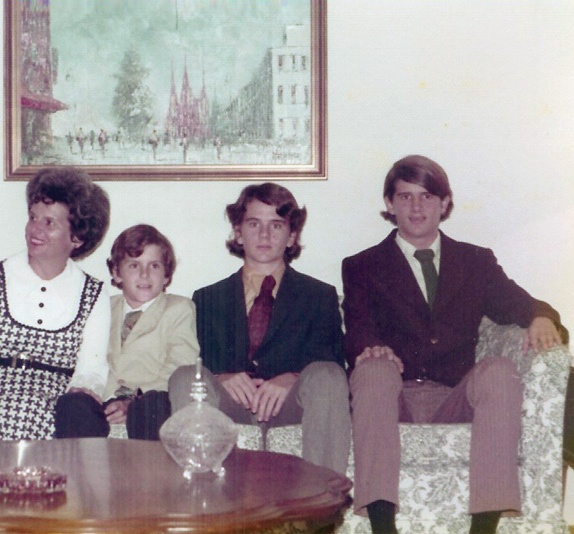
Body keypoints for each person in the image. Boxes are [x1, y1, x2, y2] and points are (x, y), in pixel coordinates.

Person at [342, 155, 566, 534]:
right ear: (389, 203)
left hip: (454, 398)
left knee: (499, 370)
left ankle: (484, 526)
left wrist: (542, 316)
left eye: (427, 196)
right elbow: (357, 328)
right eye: (406, 196)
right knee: (373, 370)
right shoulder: (362, 265)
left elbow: (519, 302)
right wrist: (370, 348)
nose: (416, 207)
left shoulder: (475, 261)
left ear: (444, 204)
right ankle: (382, 525)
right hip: (392, 397)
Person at [169, 183, 351, 474]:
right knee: (184, 376)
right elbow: (200, 358)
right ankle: (201, 504)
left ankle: (323, 498)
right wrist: (220, 376)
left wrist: (293, 377)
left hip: (292, 405)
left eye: (276, 225)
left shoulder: (319, 295)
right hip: (233, 405)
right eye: (254, 224)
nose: (264, 235)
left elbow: (331, 359)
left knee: (328, 376)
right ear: (239, 233)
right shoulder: (207, 297)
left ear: (292, 236)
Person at [0, 167, 111, 441]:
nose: (34, 229)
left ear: (77, 237)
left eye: (49, 223)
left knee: (80, 411)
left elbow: (91, 369)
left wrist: (81, 392)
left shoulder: (94, 293)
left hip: (59, 406)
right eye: (32, 218)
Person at [102, 224, 199, 440]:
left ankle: (148, 473)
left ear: (166, 275)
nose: (144, 275)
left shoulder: (178, 309)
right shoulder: (102, 308)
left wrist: (132, 399)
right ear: (116, 273)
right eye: (134, 265)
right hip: (104, 397)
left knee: (152, 405)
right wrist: (103, 397)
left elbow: (179, 365)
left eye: (154, 266)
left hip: (149, 397)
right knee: (76, 404)